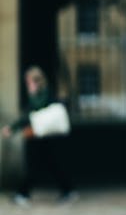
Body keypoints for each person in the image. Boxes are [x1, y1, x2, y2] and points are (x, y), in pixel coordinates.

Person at [1, 66, 78, 206]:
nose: (27, 83)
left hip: (46, 136)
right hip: (41, 136)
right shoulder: (39, 93)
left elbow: (32, 113)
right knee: (49, 165)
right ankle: (66, 190)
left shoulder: (43, 93)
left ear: (35, 81)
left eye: (29, 80)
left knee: (39, 165)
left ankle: (24, 194)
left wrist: (13, 128)